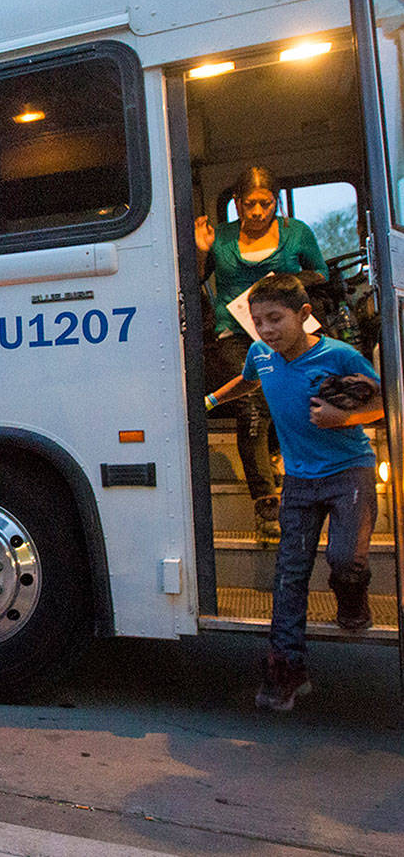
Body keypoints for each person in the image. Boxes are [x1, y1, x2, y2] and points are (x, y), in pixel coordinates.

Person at [206, 272, 382, 712]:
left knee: (346, 559)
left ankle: (353, 595)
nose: (266, 330)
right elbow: (248, 381)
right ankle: (286, 669)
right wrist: (209, 401)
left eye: (275, 319)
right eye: (258, 321)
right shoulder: (260, 354)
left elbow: (382, 403)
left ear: (304, 315)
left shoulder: (339, 355)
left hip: (349, 473)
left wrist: (342, 419)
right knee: (289, 574)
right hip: (300, 480)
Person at [196, 167, 329, 537]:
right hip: (235, 331)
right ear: (236, 203)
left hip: (284, 330)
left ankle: (297, 473)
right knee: (253, 398)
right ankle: (266, 502)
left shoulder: (296, 232)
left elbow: (320, 273)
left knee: (293, 393)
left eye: (265, 204)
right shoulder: (220, 236)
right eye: (249, 204)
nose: (256, 212)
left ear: (276, 202)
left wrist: (280, 284)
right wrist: (199, 250)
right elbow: (192, 280)